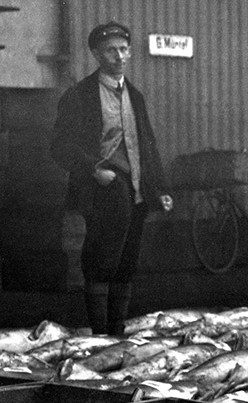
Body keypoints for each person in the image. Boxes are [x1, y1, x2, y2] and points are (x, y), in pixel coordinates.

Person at [49, 22, 171, 335]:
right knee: (101, 260)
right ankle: (100, 333)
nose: (118, 56)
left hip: (136, 191)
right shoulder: (80, 96)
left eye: (123, 49)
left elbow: (148, 146)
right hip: (102, 191)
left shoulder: (136, 97)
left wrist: (159, 189)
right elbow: (60, 146)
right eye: (110, 50)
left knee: (127, 260)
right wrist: (94, 170)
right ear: (96, 54)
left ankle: (117, 330)